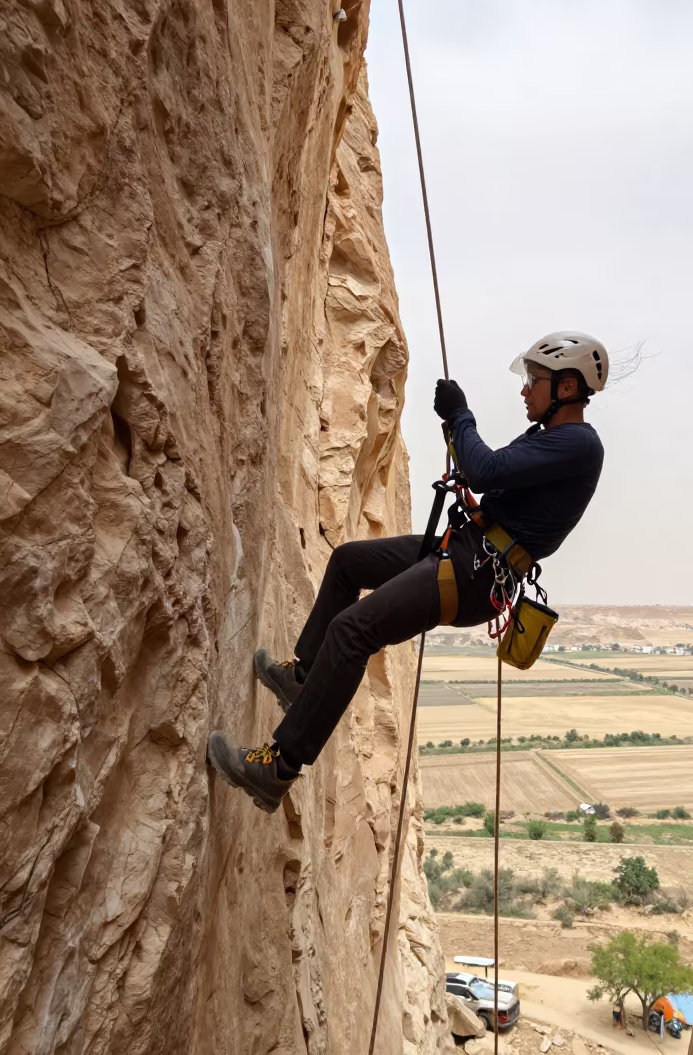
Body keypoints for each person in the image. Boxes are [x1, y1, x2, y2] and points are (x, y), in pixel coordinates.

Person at [207, 332, 608, 812]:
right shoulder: (550, 439)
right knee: (348, 562)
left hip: (477, 573)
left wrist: (460, 415)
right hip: (467, 552)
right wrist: (458, 429)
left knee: (352, 632)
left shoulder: (578, 444)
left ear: (566, 387)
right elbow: (491, 478)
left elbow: (485, 470)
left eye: (534, 380)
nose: (525, 390)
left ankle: (278, 768)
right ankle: (305, 679)